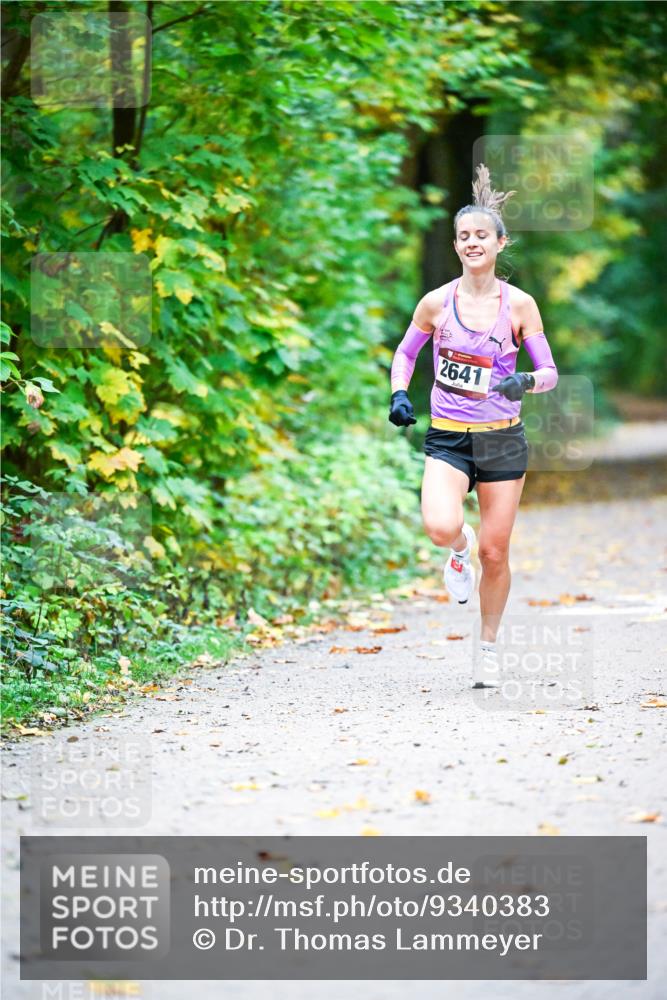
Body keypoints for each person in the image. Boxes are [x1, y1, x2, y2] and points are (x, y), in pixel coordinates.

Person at [388, 164, 558, 689]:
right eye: (463, 236)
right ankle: (456, 554)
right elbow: (405, 352)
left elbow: (550, 373)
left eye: (481, 234)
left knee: (496, 551)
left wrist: (523, 382)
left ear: (499, 243)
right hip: (448, 435)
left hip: (504, 439)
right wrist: (398, 392)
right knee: (442, 527)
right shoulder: (437, 303)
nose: (471, 242)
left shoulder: (520, 305)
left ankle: (487, 646)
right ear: (456, 245)